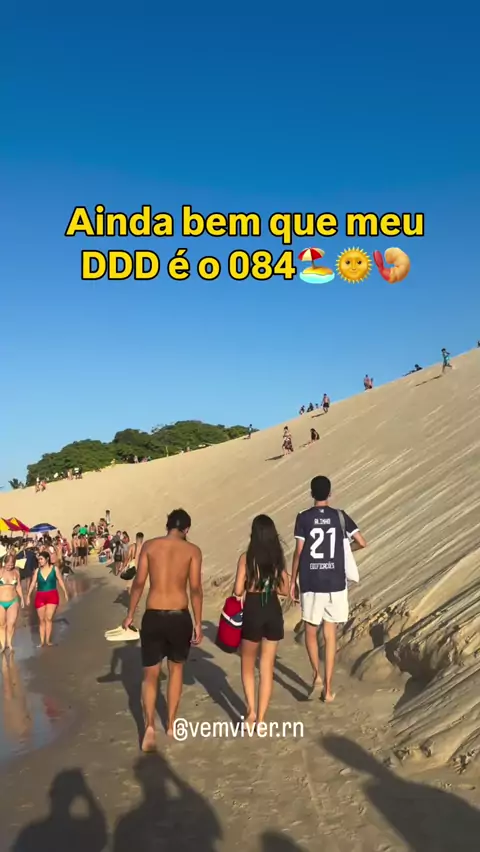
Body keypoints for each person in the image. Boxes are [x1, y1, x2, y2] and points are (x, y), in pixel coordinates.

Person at [122, 509, 203, 752]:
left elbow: (139, 582)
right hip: (179, 616)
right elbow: (195, 589)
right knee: (176, 670)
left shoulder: (149, 546)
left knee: (150, 675)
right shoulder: (193, 551)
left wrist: (130, 614)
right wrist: (198, 623)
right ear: (186, 529)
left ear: (167, 526)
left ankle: (148, 727)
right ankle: (171, 724)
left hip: (153, 615)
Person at [290, 476, 366, 702]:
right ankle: (329, 689)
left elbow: (299, 551)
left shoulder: (303, 517)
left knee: (310, 630)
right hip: (335, 583)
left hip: (311, 581)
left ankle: (317, 677)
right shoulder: (340, 516)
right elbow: (362, 542)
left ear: (311, 493)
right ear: (330, 493)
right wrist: (343, 551)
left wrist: (293, 580)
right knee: (330, 634)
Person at [233, 515, 289, 728]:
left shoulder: (246, 558)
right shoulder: (277, 558)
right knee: (267, 667)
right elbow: (285, 590)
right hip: (272, 608)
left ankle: (251, 712)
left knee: (247, 664)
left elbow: (238, 590)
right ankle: (262, 719)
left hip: (253, 608)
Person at [27, 551, 69, 647]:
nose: (40, 561)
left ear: (47, 559)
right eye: (39, 559)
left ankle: (48, 641)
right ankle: (42, 642)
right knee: (41, 620)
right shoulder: (37, 571)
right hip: (40, 596)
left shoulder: (54, 569)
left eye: (41, 559)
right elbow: (33, 583)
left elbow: (60, 581)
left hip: (52, 595)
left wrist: (65, 592)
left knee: (48, 618)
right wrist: (28, 596)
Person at [0, 554, 25, 651]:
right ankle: (3, 645)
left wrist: (22, 598)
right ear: (4, 562)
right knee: (2, 624)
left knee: (11, 623)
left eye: (12, 564)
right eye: (8, 564)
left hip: (13, 601)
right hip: (0, 602)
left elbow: (18, 586)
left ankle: (9, 644)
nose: (9, 566)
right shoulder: (0, 572)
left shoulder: (16, 572)